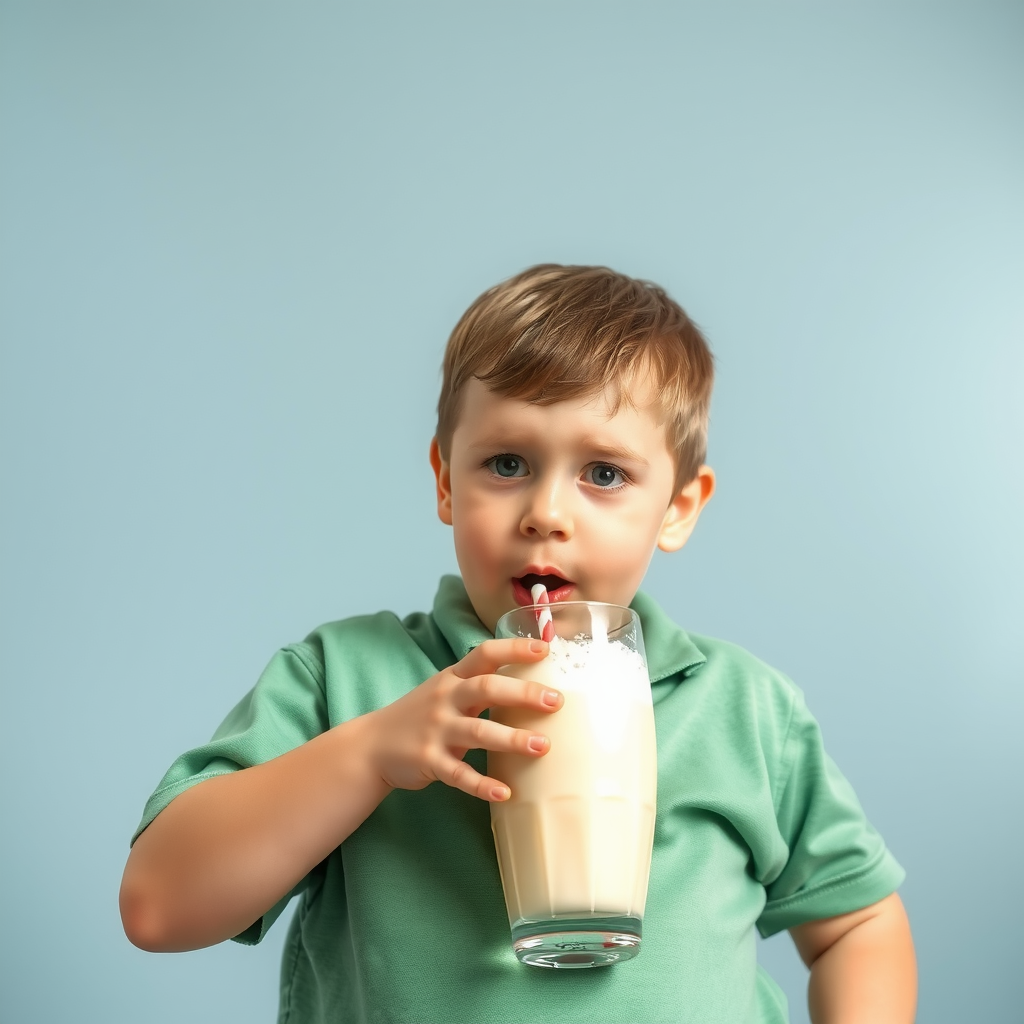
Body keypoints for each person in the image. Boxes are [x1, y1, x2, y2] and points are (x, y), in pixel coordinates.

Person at [120, 264, 916, 1023]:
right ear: (445, 482)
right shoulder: (344, 680)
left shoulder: (744, 709)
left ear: (678, 506)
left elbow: (856, 924)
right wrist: (367, 753)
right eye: (507, 463)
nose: (546, 512)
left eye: (604, 474)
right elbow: (159, 905)